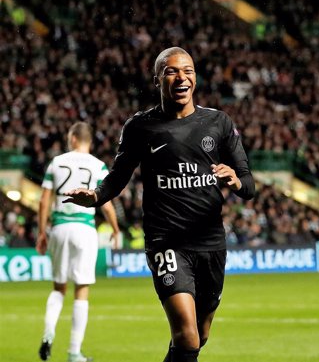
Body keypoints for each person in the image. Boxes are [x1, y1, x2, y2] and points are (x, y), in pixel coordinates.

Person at [63, 47, 255, 362]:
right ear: (158, 79)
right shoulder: (140, 127)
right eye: (172, 71)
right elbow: (117, 177)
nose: (182, 77)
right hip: (166, 241)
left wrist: (235, 181)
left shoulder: (218, 123)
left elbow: (249, 185)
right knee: (187, 334)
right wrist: (97, 195)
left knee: (199, 335)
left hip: (210, 243)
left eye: (188, 70)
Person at [36, 122, 121, 362]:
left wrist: (42, 232)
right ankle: (74, 353)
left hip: (60, 227)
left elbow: (44, 201)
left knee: (58, 287)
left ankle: (48, 333)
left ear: (73, 138)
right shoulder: (98, 165)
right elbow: (105, 200)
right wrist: (115, 228)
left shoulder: (57, 162)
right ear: (88, 141)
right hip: (84, 228)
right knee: (81, 290)